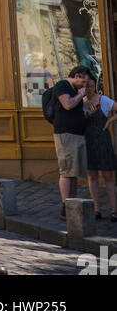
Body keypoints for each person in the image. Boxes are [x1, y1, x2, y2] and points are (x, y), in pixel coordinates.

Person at [50, 65, 92, 216]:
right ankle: (65, 206)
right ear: (76, 76)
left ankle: (72, 204)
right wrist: (81, 95)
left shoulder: (75, 90)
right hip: (65, 135)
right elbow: (67, 105)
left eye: (86, 84)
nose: (84, 86)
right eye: (83, 82)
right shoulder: (62, 86)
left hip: (77, 134)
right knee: (67, 171)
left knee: (73, 172)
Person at [83, 73, 117, 220]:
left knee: (108, 175)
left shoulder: (103, 100)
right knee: (92, 175)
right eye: (86, 86)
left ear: (95, 86)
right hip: (88, 140)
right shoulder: (81, 102)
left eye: (91, 86)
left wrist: (110, 121)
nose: (88, 89)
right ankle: (96, 209)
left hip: (102, 140)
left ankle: (114, 210)